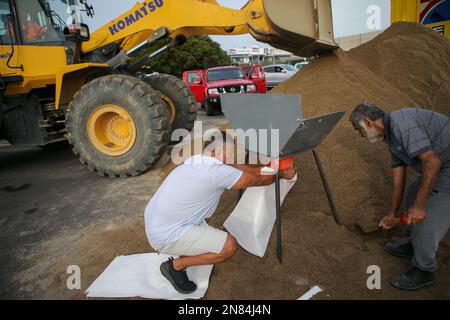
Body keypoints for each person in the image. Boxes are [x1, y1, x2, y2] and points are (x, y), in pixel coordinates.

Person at [144, 132, 297, 294]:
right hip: (166, 235)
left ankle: (185, 248)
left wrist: (269, 169)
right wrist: (280, 174)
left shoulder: (196, 160)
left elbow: (241, 168)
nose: (232, 157)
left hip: (158, 223)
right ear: (213, 152)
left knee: (209, 232)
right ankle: (175, 266)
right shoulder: (216, 172)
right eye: (228, 153)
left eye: (232, 153)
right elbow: (258, 180)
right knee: (228, 247)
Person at [349, 102, 450, 290]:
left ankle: (425, 271)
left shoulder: (403, 124)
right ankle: (414, 245)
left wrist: (419, 207)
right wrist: (392, 213)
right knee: (413, 192)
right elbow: (399, 180)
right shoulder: (391, 136)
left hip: (444, 166)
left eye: (358, 129)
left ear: (368, 122)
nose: (360, 134)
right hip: (442, 164)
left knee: (427, 220)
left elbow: (432, 163)